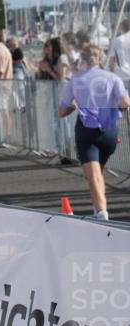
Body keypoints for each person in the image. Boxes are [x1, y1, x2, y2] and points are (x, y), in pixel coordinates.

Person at [57, 46, 130, 221]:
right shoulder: (113, 78)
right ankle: (98, 205)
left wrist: (74, 106)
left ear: (83, 60)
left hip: (87, 130)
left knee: (94, 175)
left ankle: (102, 214)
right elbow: (125, 103)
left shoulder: (76, 80)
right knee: (98, 173)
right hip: (109, 131)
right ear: (99, 60)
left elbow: (61, 111)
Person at [108, 18, 130, 85]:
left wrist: (111, 73)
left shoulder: (116, 40)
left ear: (122, 28)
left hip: (122, 75)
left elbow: (112, 60)